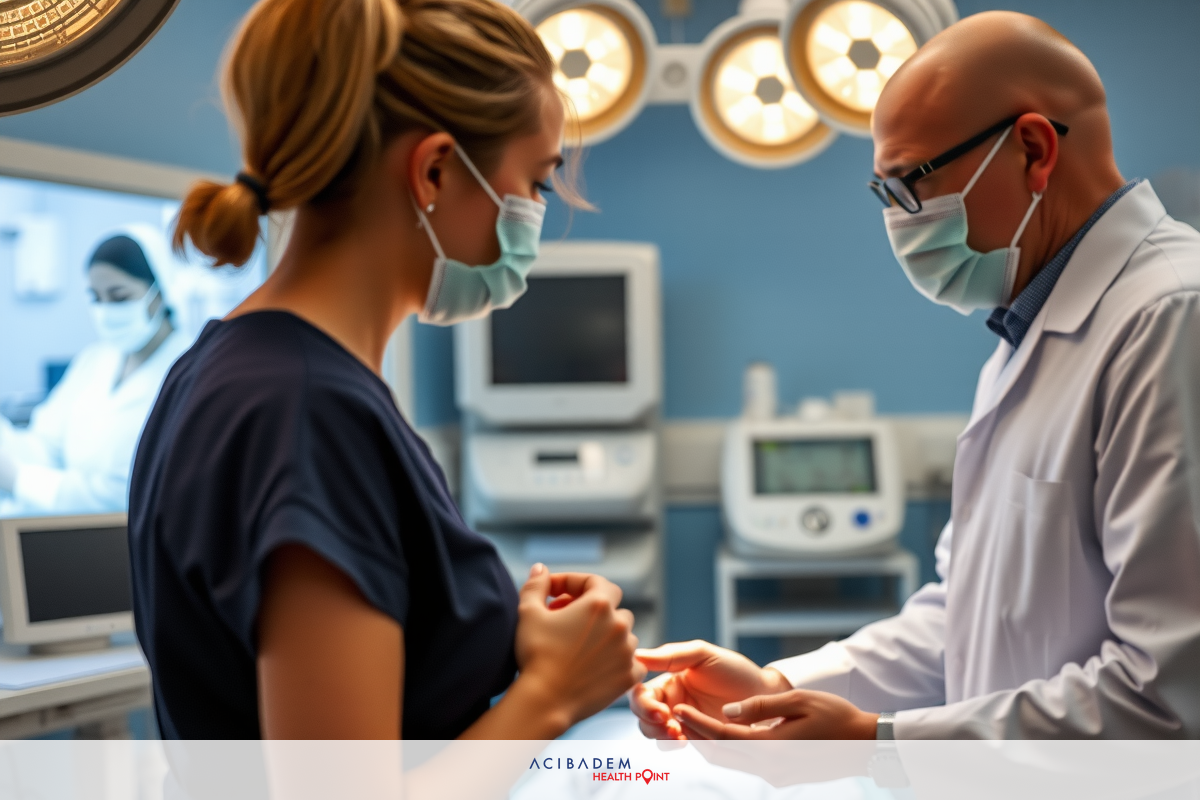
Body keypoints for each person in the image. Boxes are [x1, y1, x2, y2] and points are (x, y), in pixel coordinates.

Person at [633, 11, 1200, 740]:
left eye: (910, 186)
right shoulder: (1028, 330)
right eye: (885, 196)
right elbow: (964, 615)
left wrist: (881, 745)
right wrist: (778, 686)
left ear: (1032, 149)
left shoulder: (1170, 318)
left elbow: (1170, 692)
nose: (899, 222)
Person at [128, 0, 643, 740]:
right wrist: (555, 695)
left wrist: (507, 641)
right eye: (534, 183)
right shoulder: (305, 412)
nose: (533, 214)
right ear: (434, 169)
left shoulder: (234, 370)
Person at [0, 225, 190, 515]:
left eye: (119, 296)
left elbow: (122, 495)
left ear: (160, 292)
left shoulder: (189, 371)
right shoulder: (96, 360)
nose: (105, 310)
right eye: (95, 297)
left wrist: (20, 481)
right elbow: (45, 443)